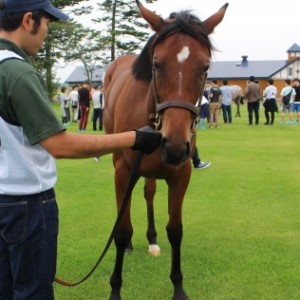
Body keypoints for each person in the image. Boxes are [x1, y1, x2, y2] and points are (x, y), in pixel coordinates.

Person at [0, 2, 162, 300]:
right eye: (46, 23)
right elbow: (59, 145)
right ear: (27, 20)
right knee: (32, 293)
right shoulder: (17, 73)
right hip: (25, 204)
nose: (46, 32)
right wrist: (132, 137)